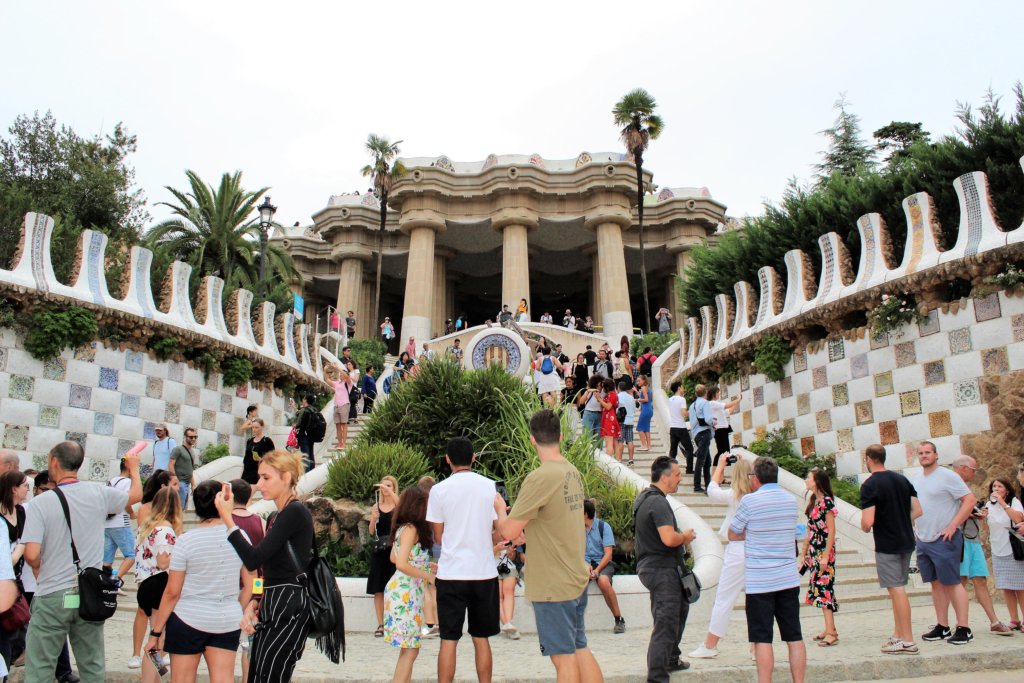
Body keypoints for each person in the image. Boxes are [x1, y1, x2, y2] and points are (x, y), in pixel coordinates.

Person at [23, 441, 143, 683]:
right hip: (88, 593)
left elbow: (32, 554)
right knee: (92, 667)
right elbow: (136, 495)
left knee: (40, 668)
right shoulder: (99, 493)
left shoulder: (39, 504)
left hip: (52, 593)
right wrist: (134, 469)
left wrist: (38, 570)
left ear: (54, 462)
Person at [496, 410, 602, 683]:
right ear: (561, 437)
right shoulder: (572, 472)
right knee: (579, 647)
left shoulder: (540, 477)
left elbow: (508, 530)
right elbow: (556, 520)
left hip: (553, 586)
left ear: (532, 440)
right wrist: (530, 532)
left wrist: (499, 508)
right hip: (574, 578)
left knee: (562, 659)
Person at [215, 450, 323, 680]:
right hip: (273, 602)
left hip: (289, 604)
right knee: (257, 674)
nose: (259, 484)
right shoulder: (276, 516)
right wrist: (255, 600)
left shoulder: (295, 512)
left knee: (271, 674)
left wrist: (228, 520)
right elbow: (265, 569)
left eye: (266, 477)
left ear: (285, 478)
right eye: (259, 477)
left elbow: (253, 559)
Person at [144, 480, 251, 683]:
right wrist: (237, 607)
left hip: (188, 617)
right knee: (223, 678)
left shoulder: (186, 540)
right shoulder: (240, 536)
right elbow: (251, 580)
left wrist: (156, 632)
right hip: (226, 618)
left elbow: (172, 591)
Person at [426, 437, 502, 683]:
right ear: (474, 458)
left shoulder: (438, 490)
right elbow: (496, 529)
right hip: (483, 572)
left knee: (448, 640)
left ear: (447, 460)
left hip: (451, 573)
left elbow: (437, 536)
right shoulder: (489, 487)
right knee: (482, 639)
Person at [728, 456, 806, 683]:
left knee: (762, 638)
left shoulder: (750, 502)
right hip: (787, 578)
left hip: (760, 580)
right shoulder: (790, 501)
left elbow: (733, 532)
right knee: (794, 636)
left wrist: (752, 533)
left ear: (756, 479)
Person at [633, 456, 696, 680]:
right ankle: (658, 676)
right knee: (666, 622)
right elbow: (669, 538)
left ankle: (671, 657)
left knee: (678, 610)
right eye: (678, 475)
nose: (680, 479)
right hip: (661, 570)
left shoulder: (644, 498)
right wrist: (685, 537)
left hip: (656, 567)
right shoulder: (658, 502)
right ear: (665, 476)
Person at [859, 444, 923, 653]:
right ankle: (898, 634)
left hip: (887, 543)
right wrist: (902, 520)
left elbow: (868, 521)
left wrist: (865, 525)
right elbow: (918, 510)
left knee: (896, 590)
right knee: (898, 587)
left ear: (869, 459)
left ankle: (907, 639)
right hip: (906, 540)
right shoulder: (902, 479)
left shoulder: (870, 485)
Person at [689, 455, 754, 659]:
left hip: (737, 550)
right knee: (756, 599)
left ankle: (710, 645)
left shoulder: (735, 495)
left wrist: (721, 464)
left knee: (724, 597)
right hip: (757, 550)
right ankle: (756, 647)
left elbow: (711, 489)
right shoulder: (755, 495)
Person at [912, 441, 977, 645]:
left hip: (945, 538)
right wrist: (914, 527)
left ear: (936, 455)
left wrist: (953, 525)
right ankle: (942, 626)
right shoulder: (917, 479)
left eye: (928, 452)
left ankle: (964, 627)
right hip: (924, 538)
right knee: (935, 583)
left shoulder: (948, 476)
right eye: (921, 453)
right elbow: (916, 506)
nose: (924, 456)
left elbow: (970, 500)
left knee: (952, 582)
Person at [952, 456, 1014, 634]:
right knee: (961, 581)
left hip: (972, 538)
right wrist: (969, 514)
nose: (974, 473)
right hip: (960, 539)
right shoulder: (951, 485)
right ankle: (960, 623)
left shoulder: (965, 487)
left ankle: (994, 622)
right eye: (973, 469)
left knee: (980, 579)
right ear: (963, 468)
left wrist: (975, 513)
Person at [383, 486, 437, 682]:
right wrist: (428, 575)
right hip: (405, 594)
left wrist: (423, 566)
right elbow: (401, 563)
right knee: (411, 650)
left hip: (404, 591)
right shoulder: (412, 529)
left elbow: (393, 557)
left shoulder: (402, 528)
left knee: (408, 649)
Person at [130, 469, 179, 668]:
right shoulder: (165, 528)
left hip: (145, 582)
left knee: (154, 637)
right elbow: (163, 562)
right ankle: (153, 674)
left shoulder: (147, 526)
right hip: (159, 582)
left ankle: (155, 673)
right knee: (156, 639)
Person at [227, 479, 266, 683]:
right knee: (248, 641)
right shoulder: (258, 520)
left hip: (232, 584)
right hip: (255, 584)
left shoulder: (226, 521)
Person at [801, 469, 839, 646]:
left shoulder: (827, 503)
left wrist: (825, 556)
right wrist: (805, 551)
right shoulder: (813, 501)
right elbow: (809, 529)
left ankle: (831, 632)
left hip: (824, 552)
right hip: (814, 552)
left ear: (816, 481)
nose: (806, 480)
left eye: (809, 478)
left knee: (824, 588)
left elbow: (831, 530)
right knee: (820, 588)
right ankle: (829, 628)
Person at [0, 471, 29, 672]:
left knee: (14, 628)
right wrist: (19, 551)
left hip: (15, 579)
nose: (28, 488)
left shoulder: (21, 512)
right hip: (3, 578)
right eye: (24, 485)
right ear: (13, 488)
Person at [986, 478, 1024, 629]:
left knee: (1020, 586)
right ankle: (1014, 620)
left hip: (1013, 549)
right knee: (1006, 586)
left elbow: (1018, 518)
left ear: (1006, 490)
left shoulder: (1013, 502)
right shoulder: (989, 504)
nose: (996, 489)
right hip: (997, 549)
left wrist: (1002, 503)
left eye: (999, 486)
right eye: (994, 486)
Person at [583, 499, 624, 633]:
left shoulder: (603, 527)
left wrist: (597, 570)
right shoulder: (576, 529)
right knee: (574, 583)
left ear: (585, 514)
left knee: (604, 582)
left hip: (603, 562)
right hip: (584, 563)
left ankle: (619, 620)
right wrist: (585, 566)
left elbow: (608, 554)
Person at [369, 476, 401, 638]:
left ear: (394, 488)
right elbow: (371, 531)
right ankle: (381, 624)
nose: (384, 488)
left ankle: (393, 622)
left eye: (388, 486)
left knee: (394, 588)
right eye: (383, 485)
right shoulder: (376, 506)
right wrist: (373, 518)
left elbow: (402, 506)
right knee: (378, 589)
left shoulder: (397, 505)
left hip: (394, 551)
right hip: (379, 551)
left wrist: (390, 493)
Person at [101, 458, 136, 583]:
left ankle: (104, 583)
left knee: (107, 560)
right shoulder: (127, 482)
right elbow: (127, 501)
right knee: (131, 555)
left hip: (107, 525)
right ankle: (114, 581)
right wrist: (132, 514)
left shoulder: (110, 481)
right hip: (121, 522)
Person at [494, 526, 522, 640]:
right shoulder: (484, 531)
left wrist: (510, 552)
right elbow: (482, 554)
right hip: (491, 567)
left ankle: (508, 623)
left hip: (508, 566)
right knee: (498, 596)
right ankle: (507, 625)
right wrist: (496, 548)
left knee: (509, 591)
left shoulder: (509, 530)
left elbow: (513, 556)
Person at [707, 387, 741, 467]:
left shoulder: (717, 405)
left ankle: (720, 475)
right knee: (721, 452)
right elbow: (727, 405)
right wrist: (738, 399)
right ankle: (715, 472)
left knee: (725, 453)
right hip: (719, 430)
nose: (719, 394)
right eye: (718, 392)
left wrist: (738, 402)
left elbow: (729, 411)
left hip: (723, 430)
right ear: (714, 394)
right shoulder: (712, 403)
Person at [689, 384, 713, 493]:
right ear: (706, 393)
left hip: (697, 434)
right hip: (704, 433)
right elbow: (708, 419)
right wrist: (714, 423)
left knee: (707, 461)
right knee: (701, 460)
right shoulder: (705, 403)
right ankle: (697, 486)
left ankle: (708, 486)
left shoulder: (692, 405)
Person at [168, 427, 199, 510]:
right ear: (185, 437)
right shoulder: (178, 449)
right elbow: (170, 465)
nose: (193, 439)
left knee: (183, 510)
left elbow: (190, 469)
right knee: (178, 509)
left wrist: (193, 484)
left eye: (195, 437)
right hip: (180, 482)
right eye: (191, 437)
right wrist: (175, 480)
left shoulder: (192, 452)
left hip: (187, 483)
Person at [666, 382, 694, 472]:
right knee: (689, 448)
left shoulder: (670, 399)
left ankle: (670, 469)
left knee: (673, 450)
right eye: (682, 387)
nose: (683, 388)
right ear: (679, 388)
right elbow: (684, 413)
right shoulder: (682, 400)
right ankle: (689, 469)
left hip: (673, 427)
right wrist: (691, 411)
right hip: (681, 427)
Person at [241, 418, 275, 485]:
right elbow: (246, 457)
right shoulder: (250, 440)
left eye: (256, 427)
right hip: (247, 471)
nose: (254, 429)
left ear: (262, 427)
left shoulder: (267, 441)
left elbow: (272, 458)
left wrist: (260, 459)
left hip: (258, 472)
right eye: (253, 427)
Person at [330, 362, 354, 450]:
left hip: (344, 404)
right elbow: (327, 380)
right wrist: (325, 371)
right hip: (336, 405)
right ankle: (339, 443)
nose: (340, 375)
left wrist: (338, 368)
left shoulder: (348, 383)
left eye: (342, 374)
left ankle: (343, 444)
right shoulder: (337, 383)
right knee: (338, 426)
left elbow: (347, 377)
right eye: (340, 374)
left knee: (344, 424)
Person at [293, 394, 318, 473]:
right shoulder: (313, 410)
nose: (303, 400)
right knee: (310, 455)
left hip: (303, 436)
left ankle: (307, 475)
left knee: (305, 456)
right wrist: (294, 407)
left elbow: (298, 423)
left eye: (304, 398)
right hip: (311, 436)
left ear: (306, 400)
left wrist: (295, 425)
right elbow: (299, 413)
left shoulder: (305, 410)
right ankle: (312, 473)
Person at [597, 377, 620, 458]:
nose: (603, 389)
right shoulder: (611, 395)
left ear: (607, 387)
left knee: (609, 443)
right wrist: (600, 400)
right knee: (614, 442)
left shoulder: (611, 395)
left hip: (609, 420)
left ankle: (609, 463)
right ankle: (617, 461)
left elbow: (608, 407)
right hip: (609, 419)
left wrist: (599, 399)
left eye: (603, 387)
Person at [615, 379, 636, 466]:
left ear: (618, 388)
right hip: (630, 420)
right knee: (630, 440)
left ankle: (619, 459)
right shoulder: (631, 397)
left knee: (621, 440)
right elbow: (634, 409)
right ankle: (631, 460)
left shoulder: (618, 396)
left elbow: (617, 409)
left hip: (621, 421)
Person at [635, 375, 654, 451]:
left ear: (643, 381)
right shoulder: (647, 388)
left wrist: (638, 400)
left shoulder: (643, 388)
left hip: (646, 410)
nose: (637, 382)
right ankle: (649, 445)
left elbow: (645, 399)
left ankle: (644, 445)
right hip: (649, 409)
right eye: (637, 381)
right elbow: (646, 398)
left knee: (640, 428)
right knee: (646, 428)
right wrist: (636, 391)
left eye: (639, 380)